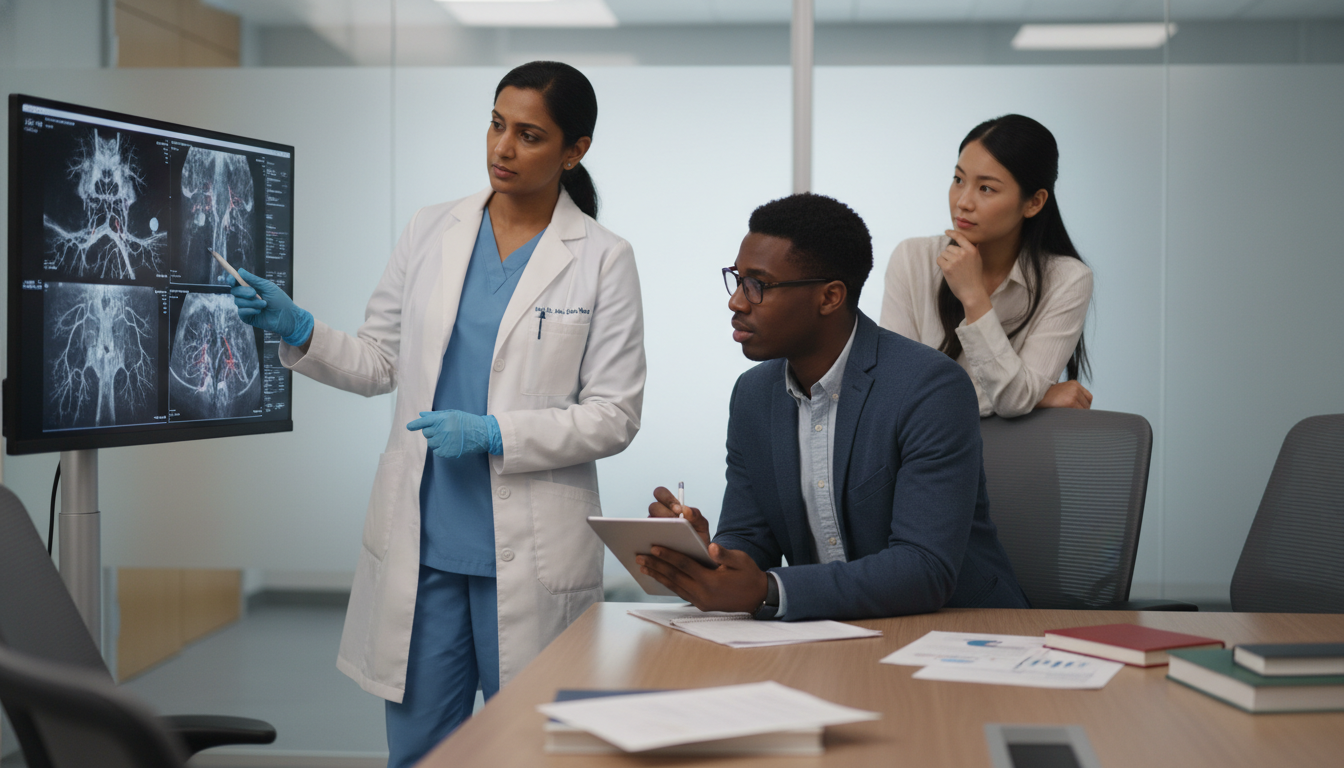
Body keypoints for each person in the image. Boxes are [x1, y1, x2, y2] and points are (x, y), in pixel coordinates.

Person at [228, 62, 645, 767]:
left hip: (532, 551)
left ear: (574, 150)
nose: (502, 149)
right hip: (424, 551)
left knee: (531, 750)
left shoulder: (603, 259)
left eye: (529, 135)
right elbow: (378, 362)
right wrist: (298, 328)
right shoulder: (432, 229)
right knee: (421, 751)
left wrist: (494, 433)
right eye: (496, 124)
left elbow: (614, 414)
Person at [636, 193, 1027, 620]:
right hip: (828, 634)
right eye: (737, 278)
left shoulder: (929, 387)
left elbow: (924, 568)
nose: (737, 301)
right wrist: (706, 557)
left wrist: (768, 588)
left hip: (960, 631)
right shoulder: (752, 396)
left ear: (830, 297)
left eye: (758, 285)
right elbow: (751, 541)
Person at [879, 114, 1093, 418]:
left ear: (1034, 202)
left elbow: (1013, 398)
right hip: (927, 460)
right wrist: (1036, 397)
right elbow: (894, 393)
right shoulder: (913, 259)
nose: (963, 201)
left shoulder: (1068, 280)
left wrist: (974, 297)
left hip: (1019, 462)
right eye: (958, 180)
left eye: (986, 188)